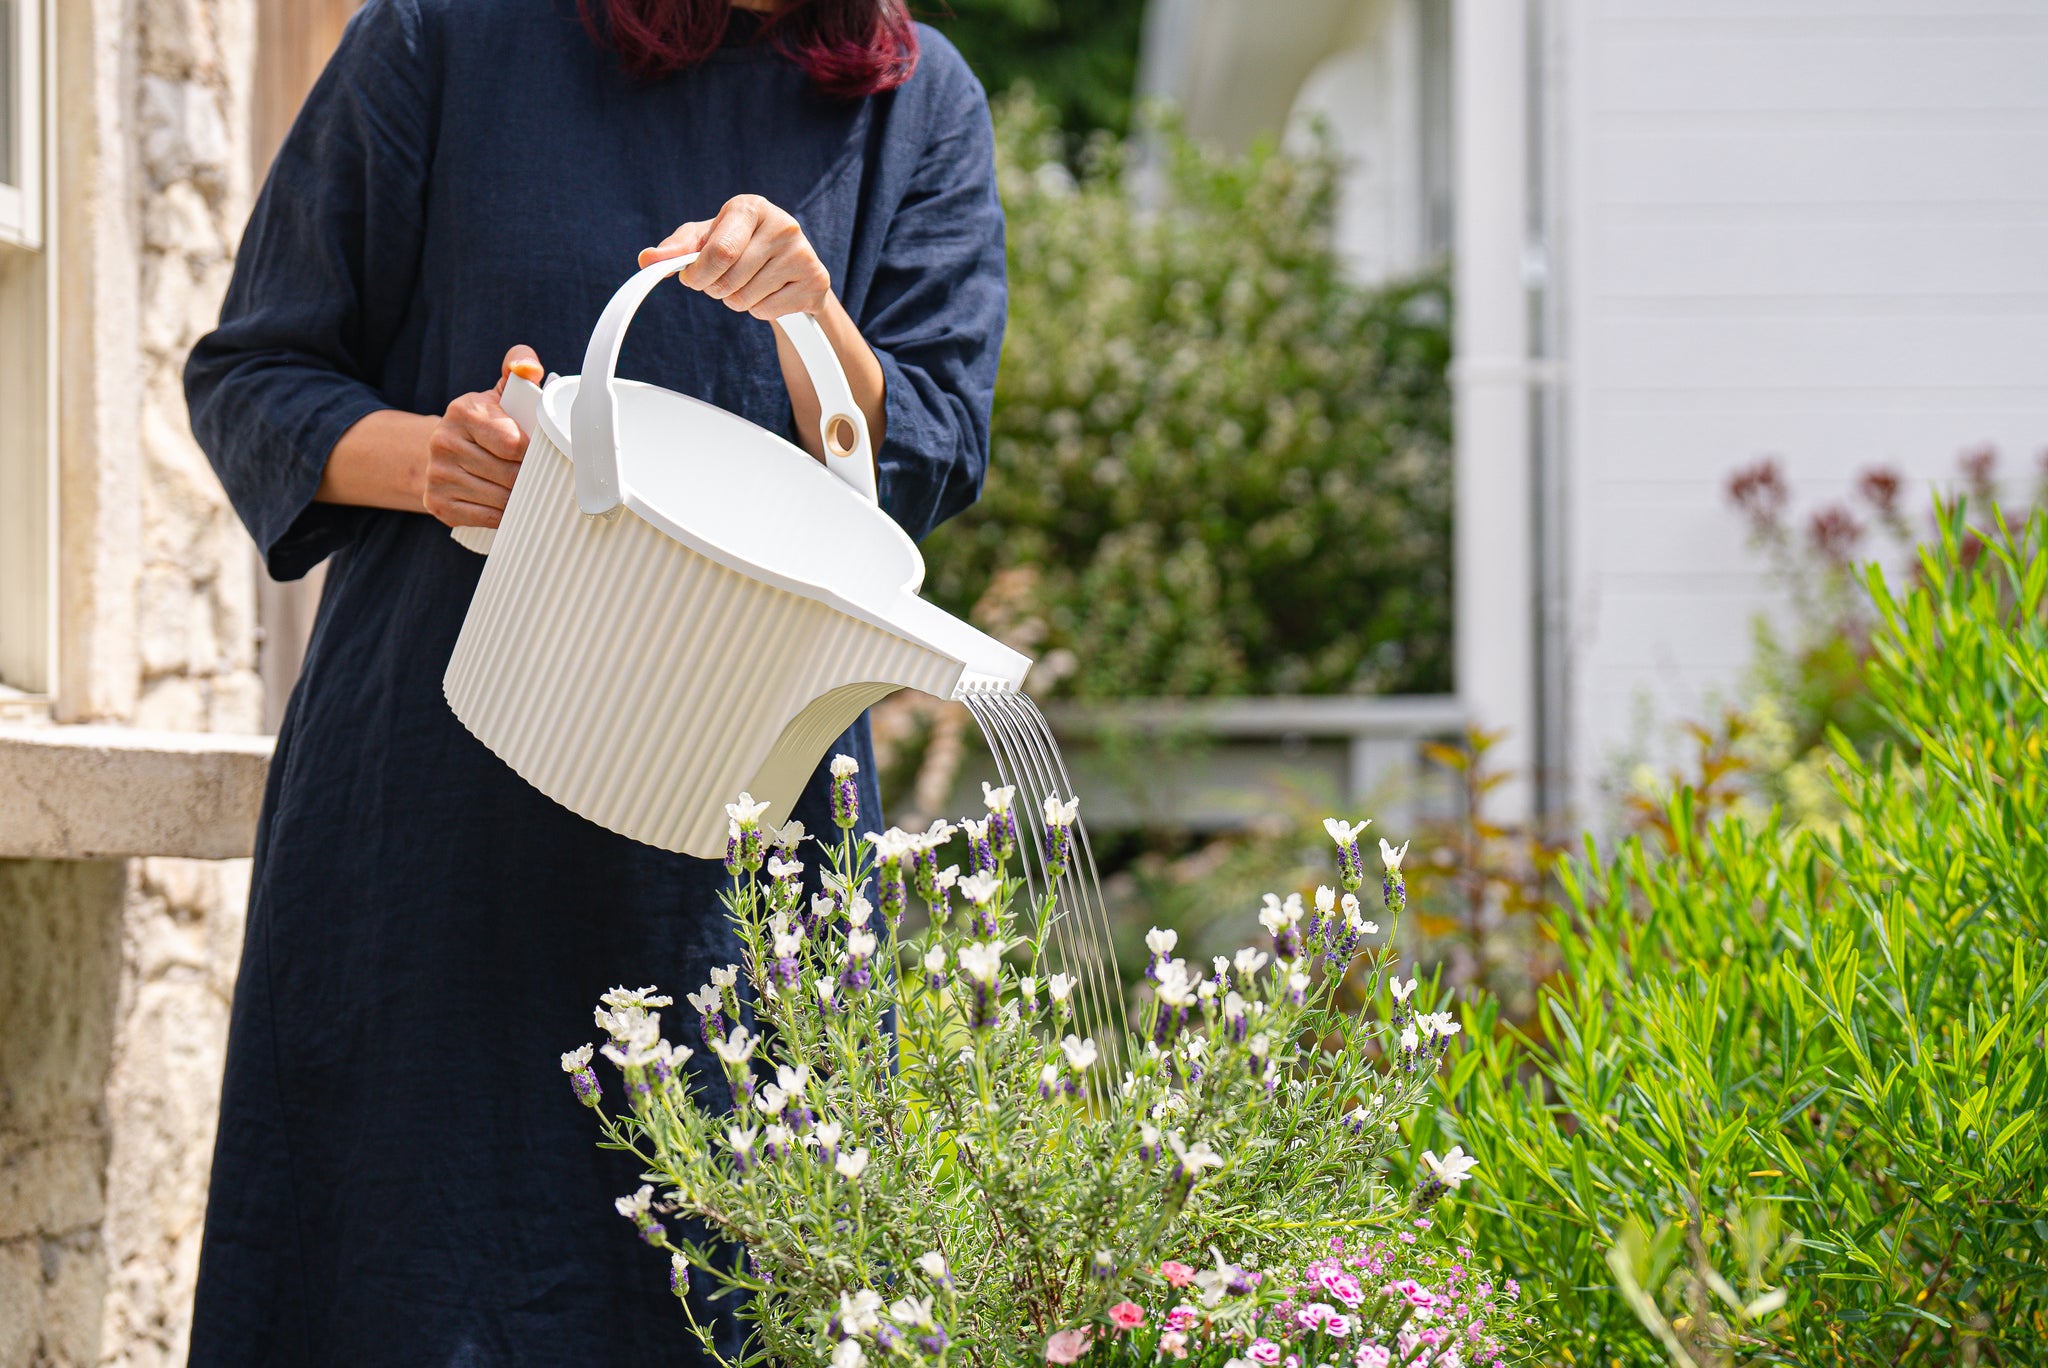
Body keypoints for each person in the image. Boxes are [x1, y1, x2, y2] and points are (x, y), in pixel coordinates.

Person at [183, 0, 1005, 1359]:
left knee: (729, 1294)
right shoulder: (444, 35)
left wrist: (814, 324)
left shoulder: (917, 101)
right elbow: (255, 376)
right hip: (437, 807)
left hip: (741, 833)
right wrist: (429, 457)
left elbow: (924, 456)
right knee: (397, 1278)